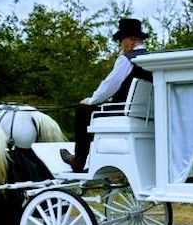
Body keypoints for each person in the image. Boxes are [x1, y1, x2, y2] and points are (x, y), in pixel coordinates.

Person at [60, 18, 152, 171]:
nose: (120, 45)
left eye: (121, 41)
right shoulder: (149, 60)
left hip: (122, 111)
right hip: (142, 113)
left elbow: (110, 85)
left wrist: (92, 100)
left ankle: (79, 160)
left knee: (83, 111)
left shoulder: (126, 60)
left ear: (132, 40)